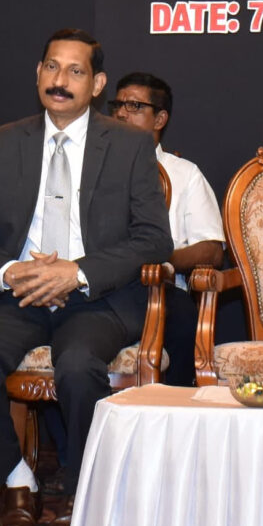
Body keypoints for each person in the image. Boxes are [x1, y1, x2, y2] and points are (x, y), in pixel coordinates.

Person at [0, 29, 171, 526]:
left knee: (77, 365)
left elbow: (154, 239)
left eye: (75, 71)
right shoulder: (7, 140)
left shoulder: (131, 145)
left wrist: (77, 271)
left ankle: (80, 490)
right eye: (52, 67)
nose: (60, 80)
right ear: (37, 73)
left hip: (95, 298)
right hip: (21, 293)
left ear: (97, 84)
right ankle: (16, 481)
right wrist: (10, 271)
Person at [103, 72, 225, 382]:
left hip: (157, 288)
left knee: (182, 318)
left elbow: (212, 251)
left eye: (134, 106)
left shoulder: (184, 174)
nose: (121, 113)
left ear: (160, 119)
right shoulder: (90, 168)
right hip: (99, 284)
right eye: (117, 105)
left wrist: (158, 257)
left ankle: (174, 408)